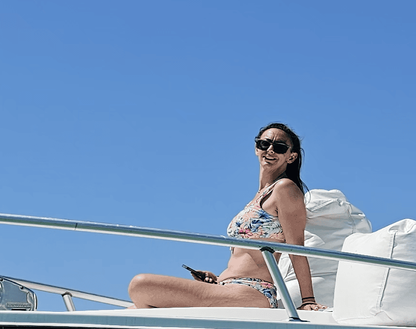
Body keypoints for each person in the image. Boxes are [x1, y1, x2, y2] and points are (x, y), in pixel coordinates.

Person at [128, 123, 320, 311]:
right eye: (264, 144)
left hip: (252, 291)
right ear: (256, 148)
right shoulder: (256, 198)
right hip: (226, 286)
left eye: (278, 147)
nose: (270, 150)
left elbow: (296, 248)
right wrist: (218, 278)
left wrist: (308, 300)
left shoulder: (285, 189)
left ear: (291, 156)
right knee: (135, 308)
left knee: (140, 285)